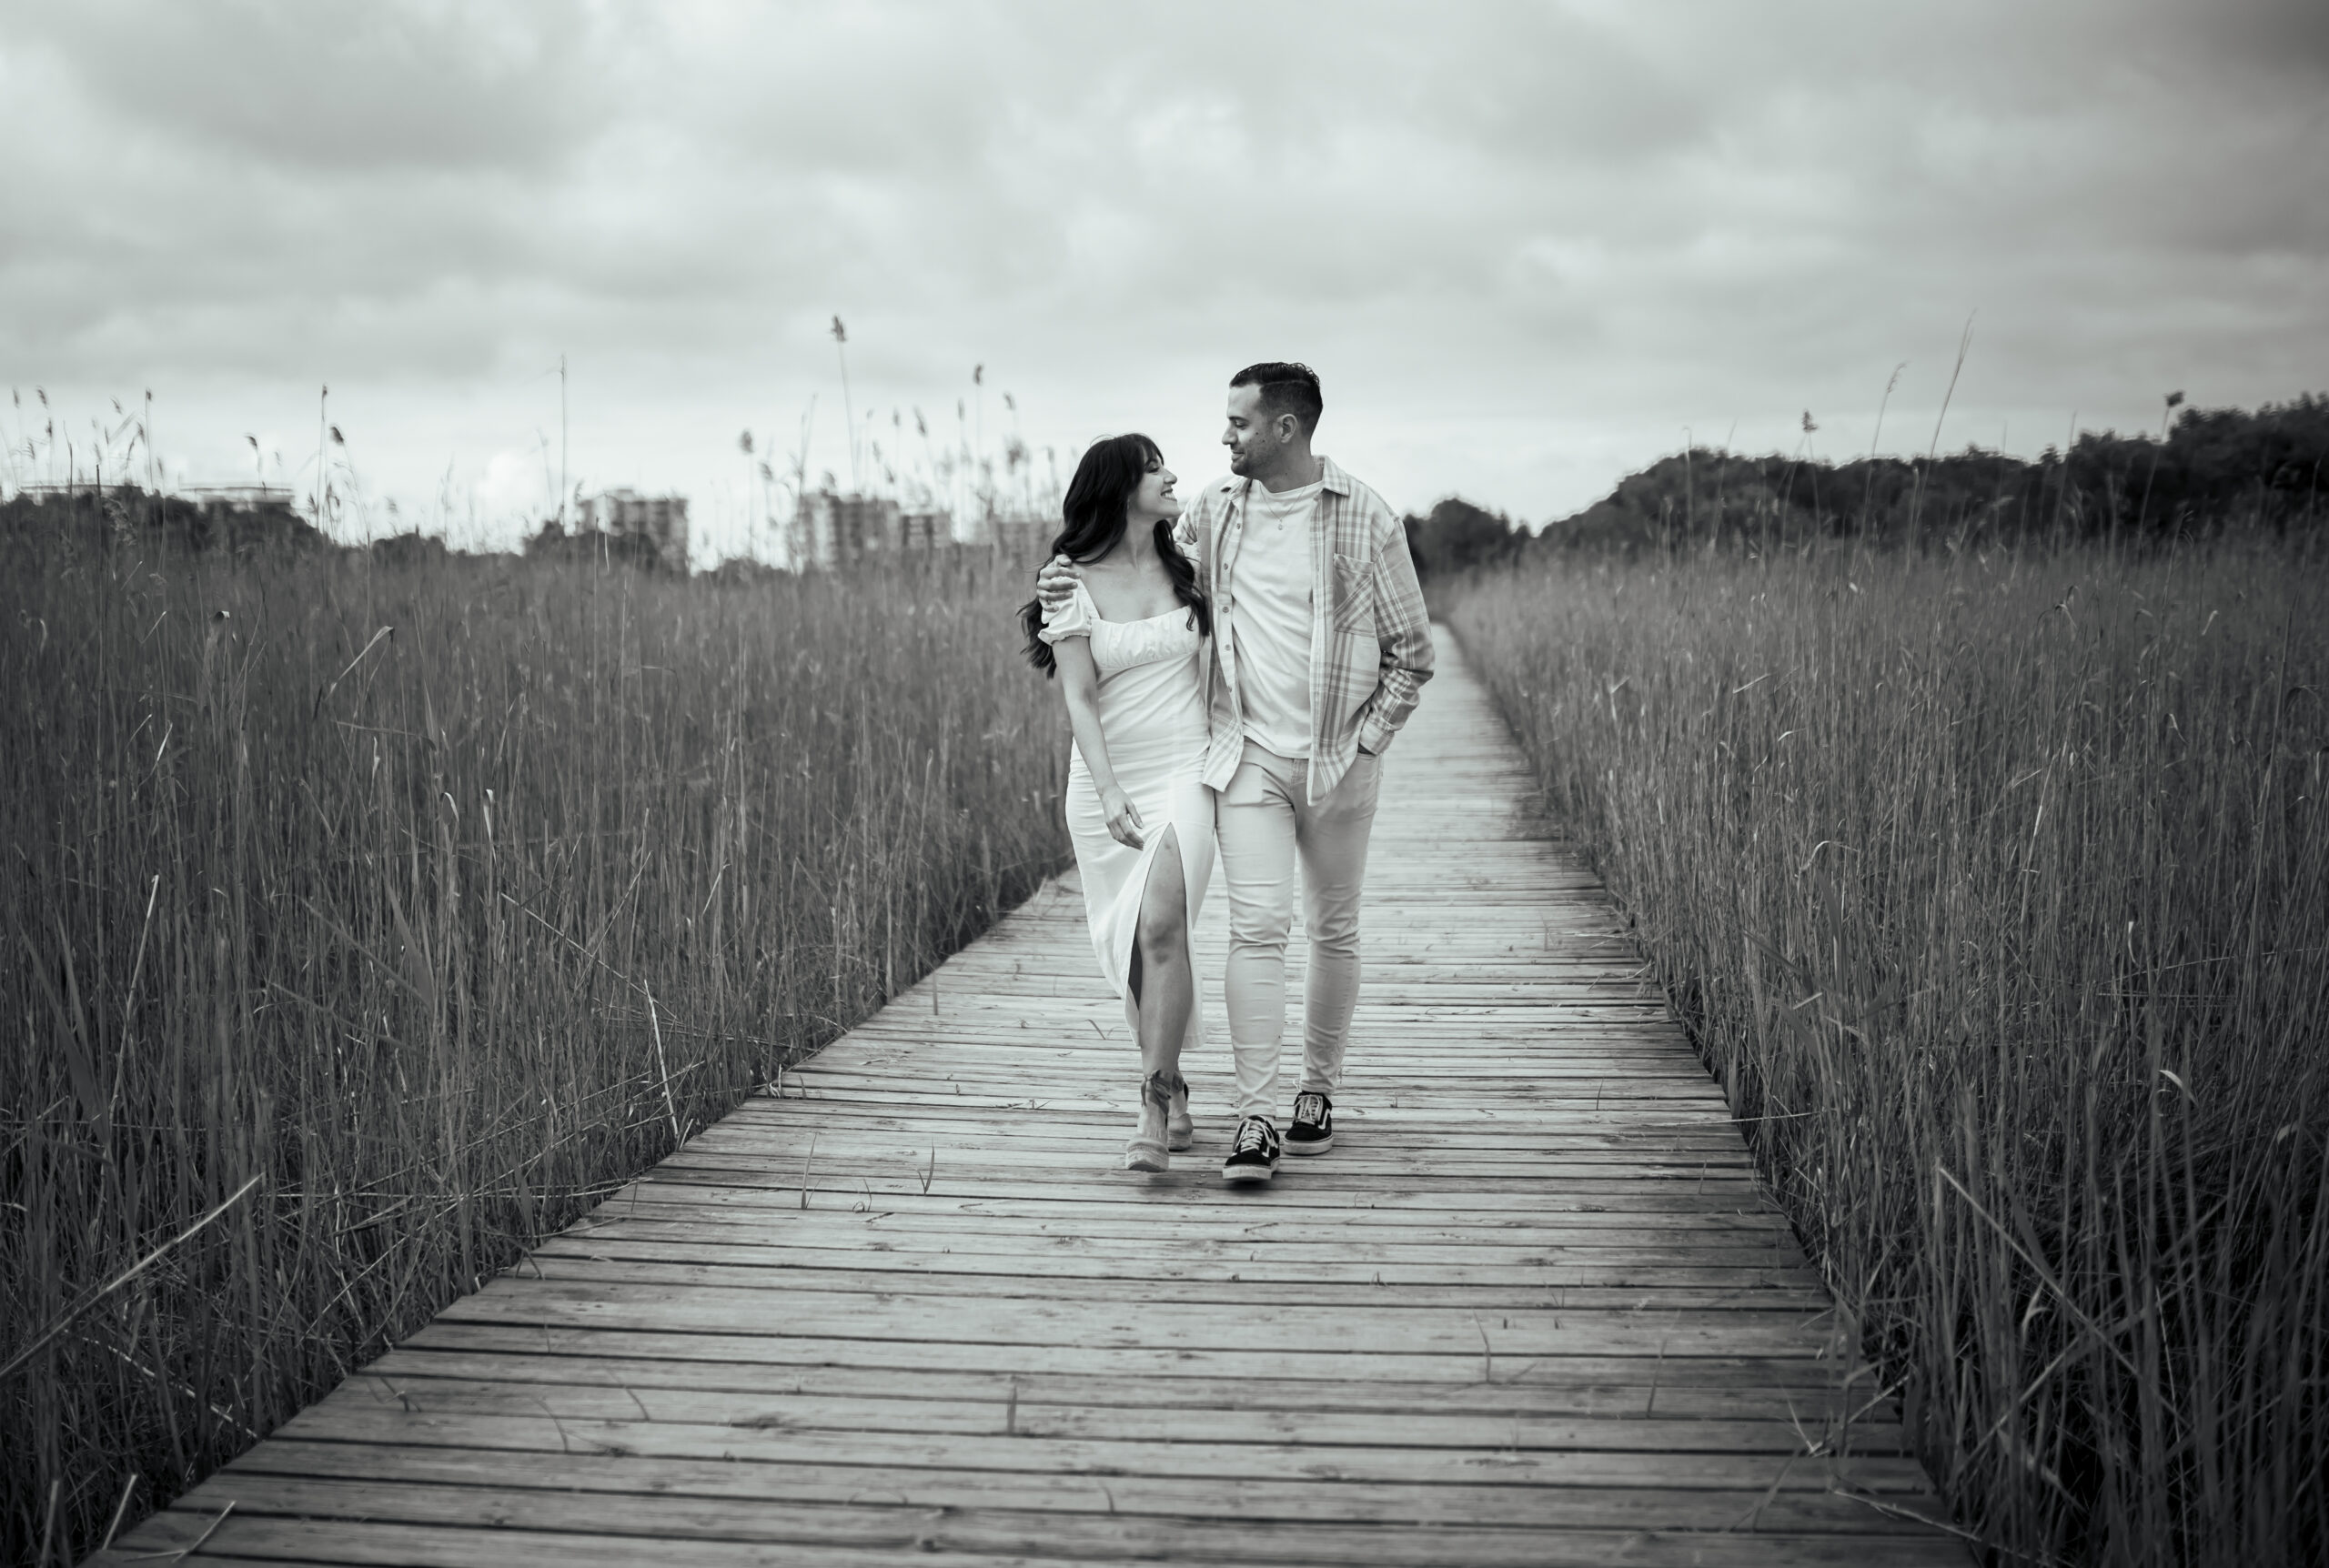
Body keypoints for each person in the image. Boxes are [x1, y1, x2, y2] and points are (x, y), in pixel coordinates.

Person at [1041, 363, 1433, 1184]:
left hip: (1334, 763)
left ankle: (1316, 1091)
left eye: (1238, 423)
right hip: (1243, 757)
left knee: (1333, 930)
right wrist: (1061, 571)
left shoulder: (1365, 516)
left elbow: (1414, 655)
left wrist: (1366, 746)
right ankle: (1250, 1118)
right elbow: (1126, 557)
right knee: (1253, 932)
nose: (1221, 440)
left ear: (1284, 429)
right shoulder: (1215, 514)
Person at [1019, 434, 1217, 1172]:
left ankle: (1153, 1102)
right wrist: (1105, 789)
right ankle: (1175, 1077)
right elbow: (1078, 693)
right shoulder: (1068, 582)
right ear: (1117, 486)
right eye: (1153, 467)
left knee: (1164, 922)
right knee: (1139, 940)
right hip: (1107, 778)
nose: (1171, 476)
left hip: (1187, 769)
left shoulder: (1189, 568)